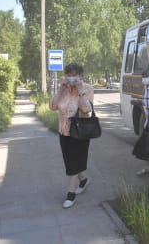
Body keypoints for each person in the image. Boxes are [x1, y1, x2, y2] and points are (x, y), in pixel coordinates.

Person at [49, 63, 94, 209]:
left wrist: (80, 91)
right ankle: (84, 180)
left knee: (72, 165)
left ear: (81, 75)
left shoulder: (87, 88)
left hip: (79, 133)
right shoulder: (64, 88)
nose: (71, 77)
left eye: (74, 74)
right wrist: (60, 91)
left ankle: (71, 194)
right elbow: (52, 106)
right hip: (64, 131)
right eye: (68, 74)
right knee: (70, 162)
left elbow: (87, 109)